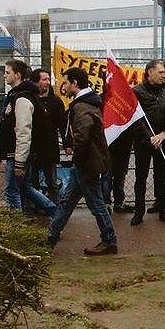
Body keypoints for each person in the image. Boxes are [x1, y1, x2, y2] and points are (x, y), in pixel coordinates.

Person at [48, 67, 117, 256]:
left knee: (95, 204)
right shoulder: (87, 103)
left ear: (75, 84)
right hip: (86, 162)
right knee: (67, 201)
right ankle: (51, 236)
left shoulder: (82, 106)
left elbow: (83, 135)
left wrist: (77, 157)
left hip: (86, 163)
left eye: (66, 82)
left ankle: (109, 240)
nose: (64, 86)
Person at [0, 59, 57, 217]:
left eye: (7, 72)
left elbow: (24, 130)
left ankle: (16, 225)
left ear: (17, 75)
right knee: (25, 188)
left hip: (16, 154)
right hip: (18, 153)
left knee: (12, 191)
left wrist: (19, 161)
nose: (5, 76)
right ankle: (56, 213)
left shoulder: (22, 98)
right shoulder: (17, 95)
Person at [130, 59, 165, 226]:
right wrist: (150, 136)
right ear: (150, 72)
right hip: (144, 141)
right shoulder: (137, 91)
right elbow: (136, 117)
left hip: (163, 141)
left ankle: (163, 209)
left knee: (163, 176)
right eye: (160, 72)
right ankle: (138, 212)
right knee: (141, 177)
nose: (164, 76)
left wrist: (164, 134)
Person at [30, 68, 67, 202]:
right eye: (44, 79)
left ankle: (54, 206)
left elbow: (63, 124)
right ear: (36, 82)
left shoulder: (56, 102)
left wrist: (67, 143)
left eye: (48, 79)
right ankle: (36, 205)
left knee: (52, 181)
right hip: (33, 147)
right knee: (32, 182)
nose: (47, 82)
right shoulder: (30, 100)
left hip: (50, 148)